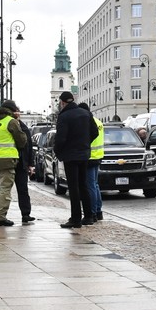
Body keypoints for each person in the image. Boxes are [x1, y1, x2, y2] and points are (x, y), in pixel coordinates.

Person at [54, 91, 99, 229]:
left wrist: (58, 151)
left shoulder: (64, 116)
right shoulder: (85, 113)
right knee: (83, 185)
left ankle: (75, 218)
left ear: (62, 102)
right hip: (84, 154)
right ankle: (89, 216)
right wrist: (85, 144)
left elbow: (61, 138)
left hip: (70, 155)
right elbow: (95, 132)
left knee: (73, 187)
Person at [0, 100, 28, 227]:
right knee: (5, 189)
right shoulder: (11, 121)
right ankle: (0, 217)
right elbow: (22, 141)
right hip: (7, 160)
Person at [79, 102, 104, 222]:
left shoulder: (87, 122)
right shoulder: (98, 121)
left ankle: (93, 212)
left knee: (90, 187)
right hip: (98, 156)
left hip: (89, 157)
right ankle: (99, 211)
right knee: (95, 185)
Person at [12, 108, 36, 224]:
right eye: (15, 111)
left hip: (21, 162)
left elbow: (29, 146)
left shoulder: (23, 126)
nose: (17, 113)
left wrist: (30, 164)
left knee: (23, 189)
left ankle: (26, 214)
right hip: (10, 161)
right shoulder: (9, 124)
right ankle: (0, 215)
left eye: (18, 111)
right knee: (4, 190)